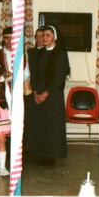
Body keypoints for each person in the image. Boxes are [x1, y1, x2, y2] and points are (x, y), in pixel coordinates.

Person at [32, 25, 70, 165]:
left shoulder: (59, 53)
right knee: (40, 124)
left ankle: (50, 155)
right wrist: (36, 92)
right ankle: (40, 153)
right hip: (39, 94)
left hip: (53, 95)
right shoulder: (41, 53)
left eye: (48, 35)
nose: (44, 38)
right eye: (43, 35)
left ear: (54, 37)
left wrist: (45, 94)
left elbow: (59, 77)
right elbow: (35, 74)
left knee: (51, 125)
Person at [24, 28, 44, 156]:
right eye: (37, 37)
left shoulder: (51, 53)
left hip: (45, 93)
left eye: (42, 36)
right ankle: (29, 151)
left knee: (43, 124)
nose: (39, 39)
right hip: (31, 91)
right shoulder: (30, 52)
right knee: (30, 122)